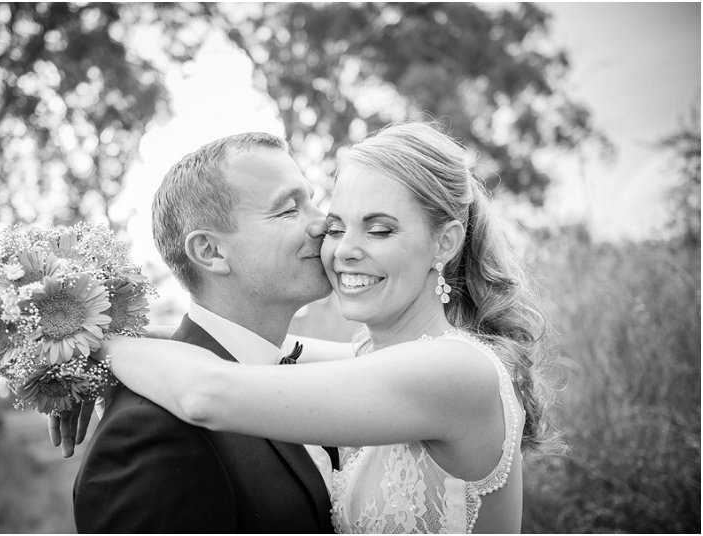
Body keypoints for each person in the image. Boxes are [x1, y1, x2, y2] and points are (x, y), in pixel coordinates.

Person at [84, 121, 556, 533]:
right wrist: (84, 361)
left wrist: (95, 342)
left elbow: (208, 391)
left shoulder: (452, 371)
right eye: (336, 225)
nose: (338, 245)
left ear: (445, 243)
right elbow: (269, 352)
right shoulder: (375, 360)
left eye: (379, 229)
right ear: (209, 251)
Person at [68, 132, 339, 533]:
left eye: (312, 201)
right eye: (288, 209)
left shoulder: (299, 374)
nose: (324, 223)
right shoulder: (150, 433)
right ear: (210, 252)